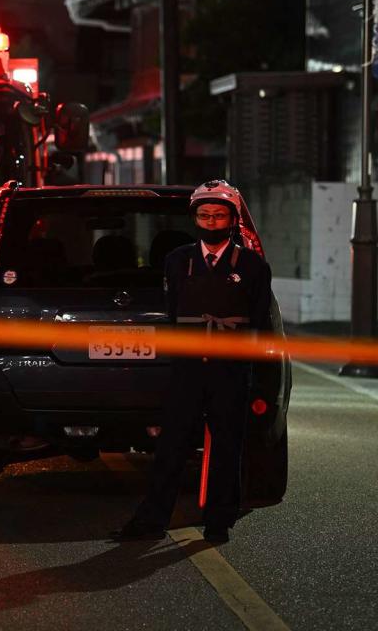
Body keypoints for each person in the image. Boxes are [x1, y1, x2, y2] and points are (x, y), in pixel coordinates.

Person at [112, 179, 272, 545]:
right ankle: (151, 521)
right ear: (194, 218)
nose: (211, 222)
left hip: (230, 369)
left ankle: (219, 522)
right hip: (187, 369)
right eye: (204, 215)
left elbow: (258, 323)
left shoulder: (252, 266)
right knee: (172, 445)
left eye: (219, 216)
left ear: (232, 220)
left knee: (228, 446)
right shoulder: (177, 261)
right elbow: (172, 315)